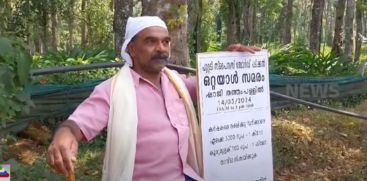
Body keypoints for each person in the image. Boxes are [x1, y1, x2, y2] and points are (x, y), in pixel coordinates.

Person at [47, 16, 260, 181]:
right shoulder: (113, 91)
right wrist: (64, 135)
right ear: (132, 49)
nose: (161, 48)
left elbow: (211, 84)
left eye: (165, 42)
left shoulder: (176, 82)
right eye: (151, 42)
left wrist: (230, 60)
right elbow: (77, 124)